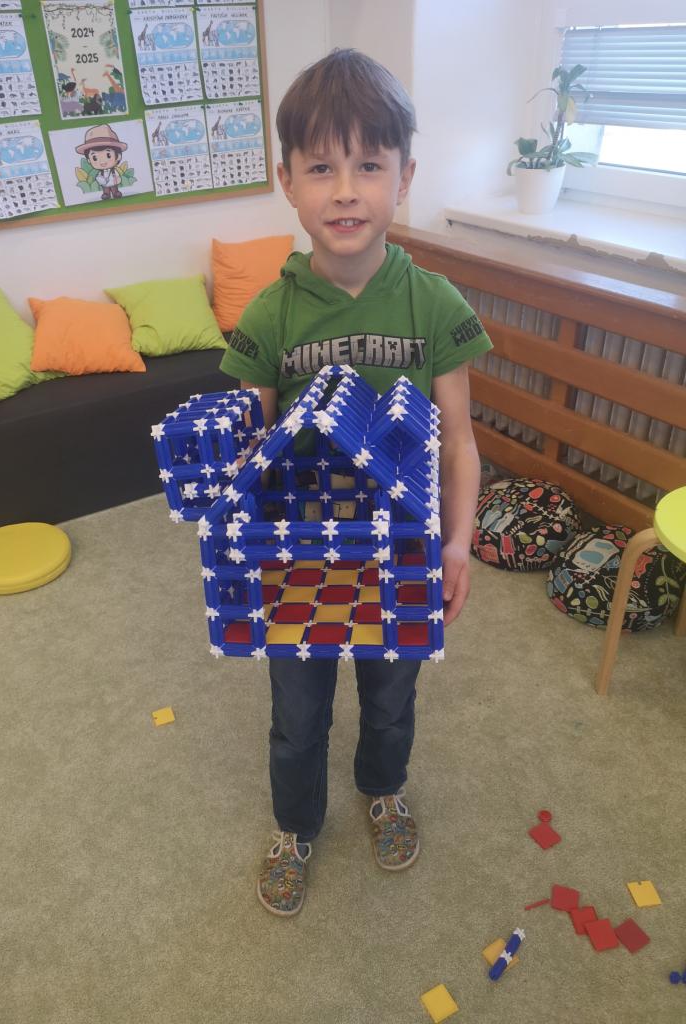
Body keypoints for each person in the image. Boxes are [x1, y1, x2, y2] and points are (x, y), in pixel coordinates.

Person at [219, 49, 493, 917]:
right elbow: (246, 448)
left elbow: (459, 440)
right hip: (298, 558)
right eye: (321, 168)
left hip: (399, 555)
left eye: (369, 166)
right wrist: (234, 536)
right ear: (287, 182)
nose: (345, 191)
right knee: (297, 710)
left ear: (404, 178)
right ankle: (296, 825)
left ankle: (383, 787)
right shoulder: (271, 314)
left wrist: (458, 542)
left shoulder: (435, 305)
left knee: (391, 694)